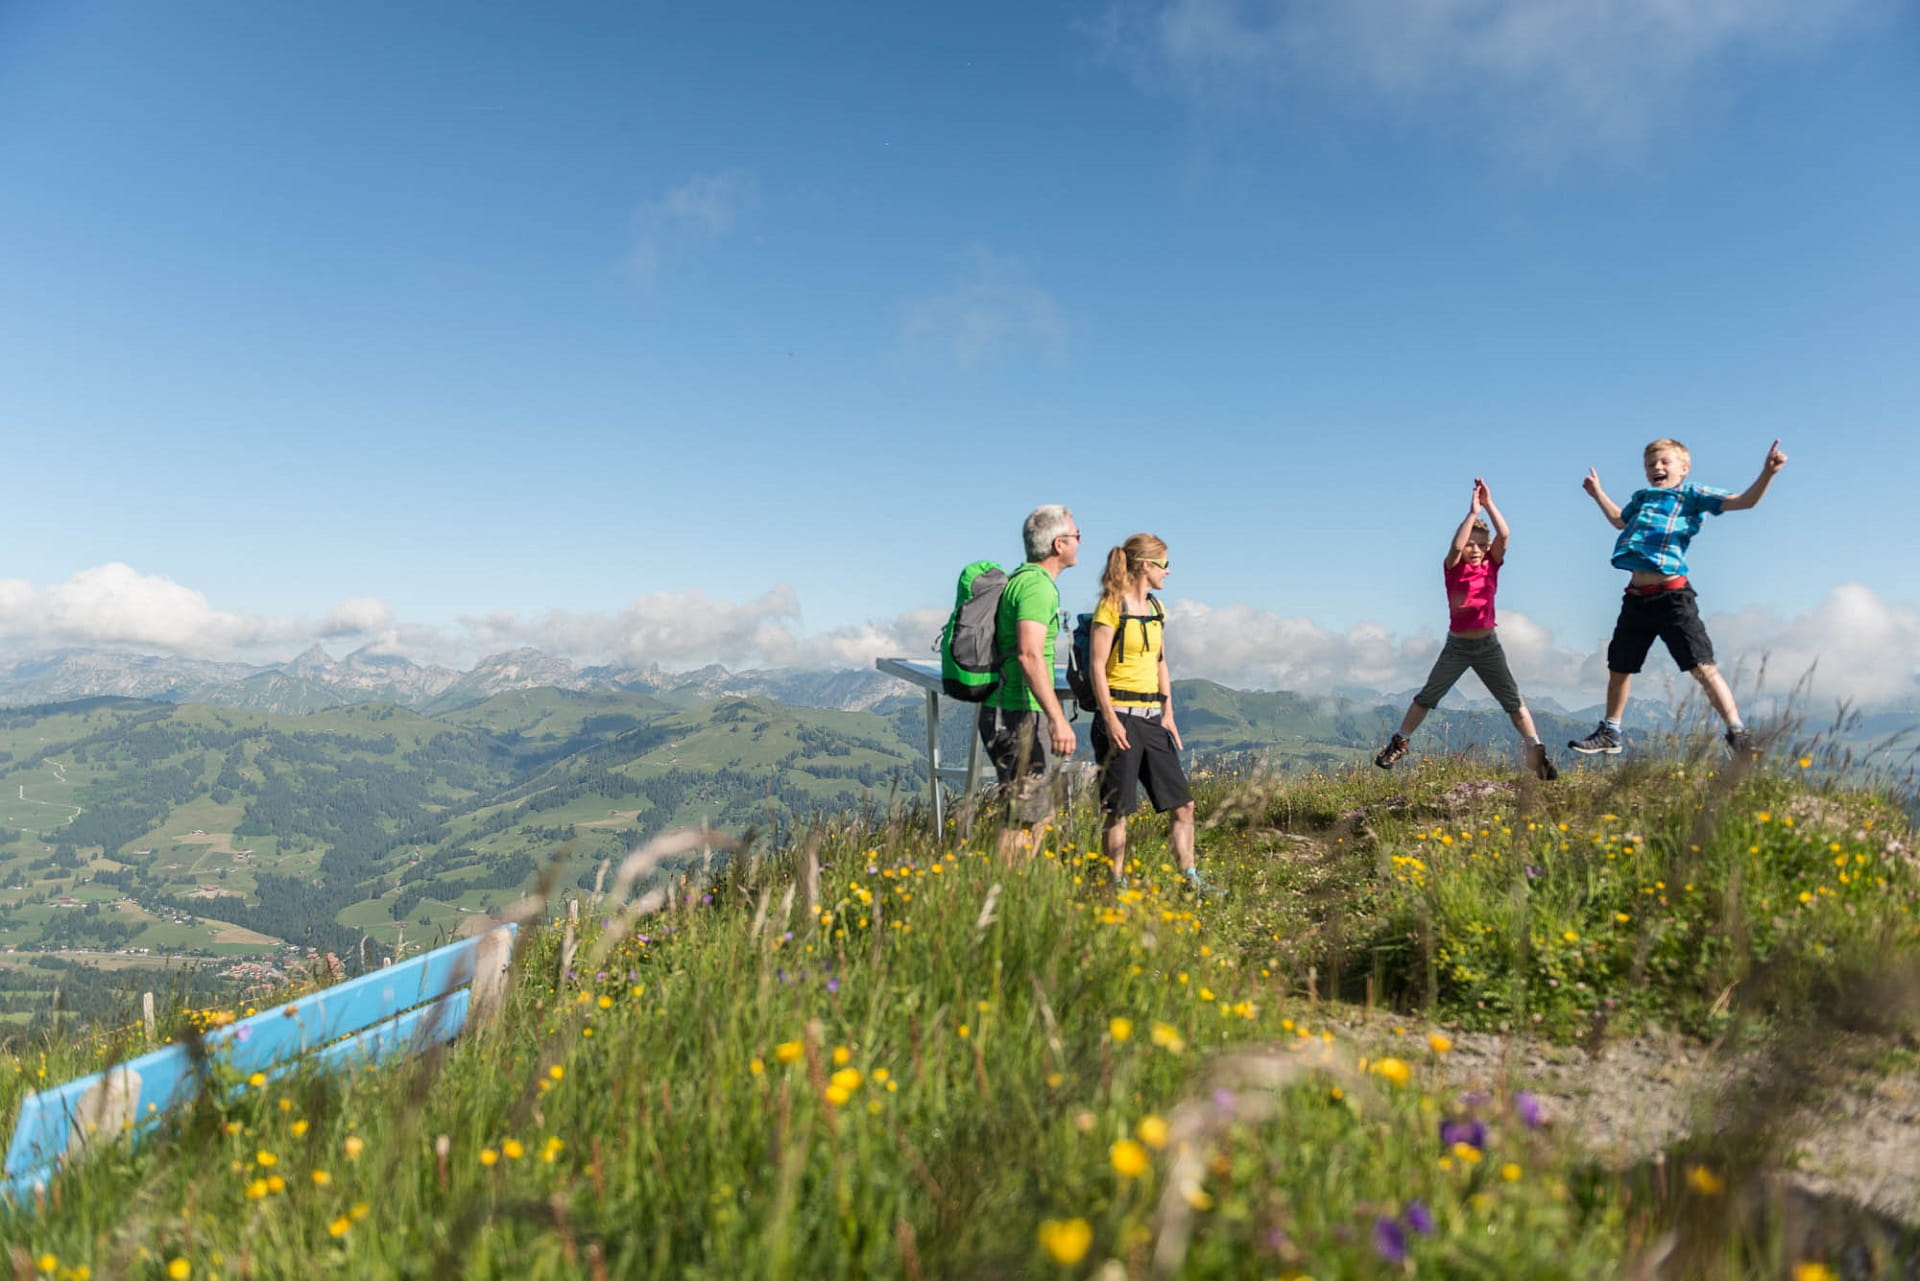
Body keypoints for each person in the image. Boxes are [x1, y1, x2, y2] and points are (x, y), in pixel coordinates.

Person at [1569, 438, 1788, 757]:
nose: (1656, 468)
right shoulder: (1642, 498)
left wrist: (1768, 473)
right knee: (1619, 667)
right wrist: (1597, 493)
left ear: (1684, 468)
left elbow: (1744, 501)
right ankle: (1610, 732)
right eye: (1650, 464)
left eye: (1664, 462)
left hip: (1673, 598)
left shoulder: (1692, 495)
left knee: (1702, 666)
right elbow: (1620, 520)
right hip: (1636, 598)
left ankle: (1738, 733)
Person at [1375, 480, 1556, 780]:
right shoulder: (1453, 567)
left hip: (1488, 646)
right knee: (1426, 697)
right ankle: (1399, 741)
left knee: (1512, 701)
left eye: (1481, 545)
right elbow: (1456, 546)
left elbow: (1506, 534)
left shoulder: (1491, 565)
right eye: (1472, 544)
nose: (1475, 549)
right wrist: (1472, 512)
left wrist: (1489, 504)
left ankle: (1535, 751)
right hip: (1457, 647)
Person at [1088, 534, 1219, 895]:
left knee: (1184, 804)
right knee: (1118, 809)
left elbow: (1160, 662)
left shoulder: (1157, 609)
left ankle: (1190, 879)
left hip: (1151, 719)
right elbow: (1097, 666)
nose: (1168, 571)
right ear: (1145, 566)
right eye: (1164, 564)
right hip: (1119, 716)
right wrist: (1111, 719)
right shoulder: (1110, 606)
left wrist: (1168, 712)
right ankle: (1113, 886)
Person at [978, 504, 1080, 860]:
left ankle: (1019, 887)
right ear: (1058, 544)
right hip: (1019, 712)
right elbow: (1030, 655)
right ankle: (1004, 897)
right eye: (1077, 536)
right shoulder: (1037, 588)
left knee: (1038, 813)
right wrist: (1057, 718)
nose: (1080, 543)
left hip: (1009, 708)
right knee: (1021, 818)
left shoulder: (1022, 580)